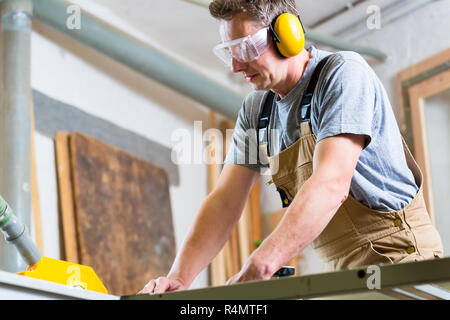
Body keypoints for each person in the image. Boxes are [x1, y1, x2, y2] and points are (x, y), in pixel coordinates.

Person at [138, 0, 443, 295]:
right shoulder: (257, 110)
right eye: (229, 52)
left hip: (401, 260)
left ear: (287, 34)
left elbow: (331, 183)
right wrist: (178, 278)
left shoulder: (342, 74)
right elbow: (223, 202)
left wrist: (261, 265)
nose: (234, 65)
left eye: (245, 47)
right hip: (345, 275)